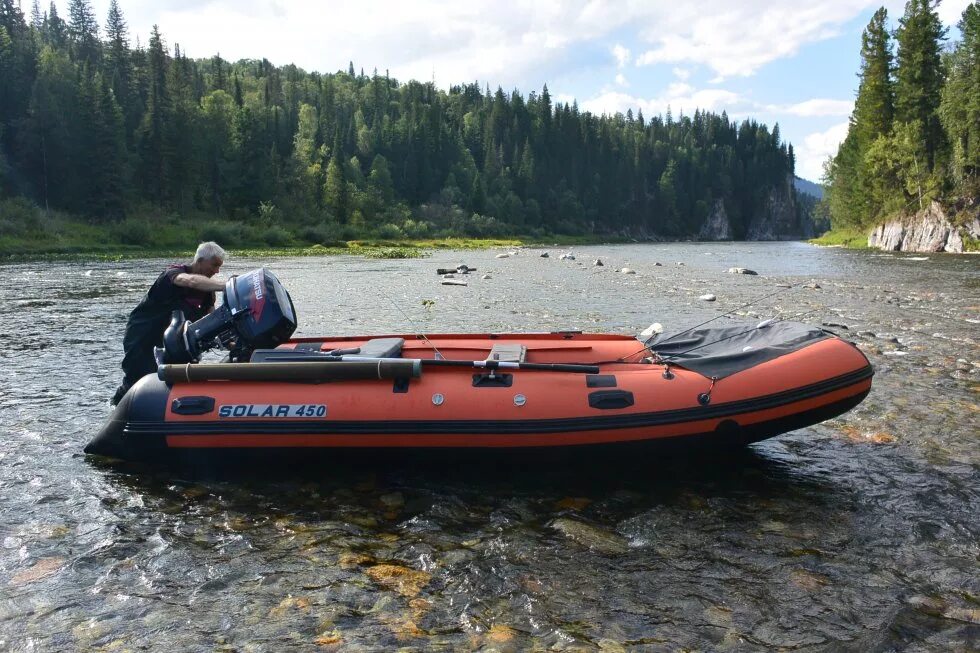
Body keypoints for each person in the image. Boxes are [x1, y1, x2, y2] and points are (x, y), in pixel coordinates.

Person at [111, 242, 227, 405]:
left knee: (173, 382)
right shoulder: (173, 273)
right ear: (200, 260)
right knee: (136, 379)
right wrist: (227, 285)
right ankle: (115, 410)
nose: (216, 271)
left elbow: (212, 318)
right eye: (214, 265)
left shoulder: (208, 291)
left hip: (174, 343)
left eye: (219, 267)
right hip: (143, 336)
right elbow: (190, 281)